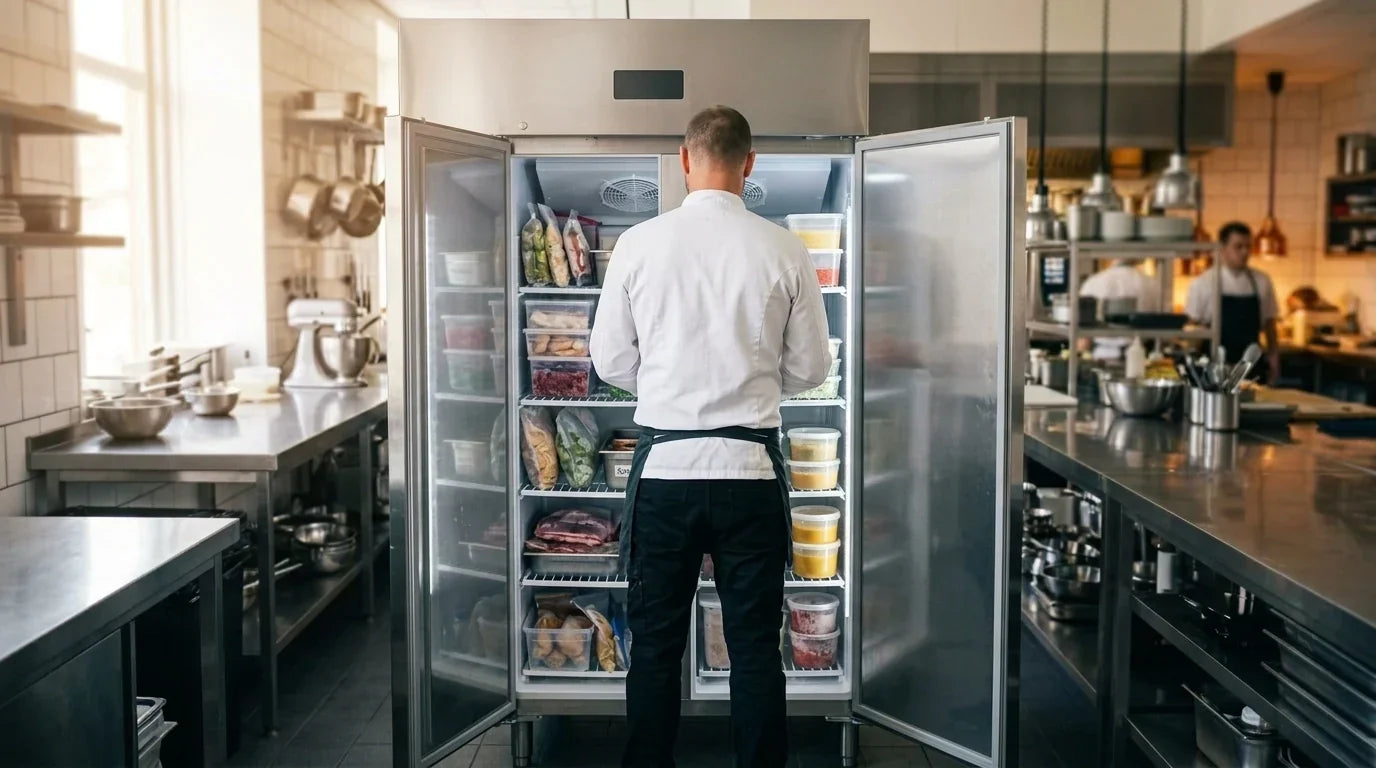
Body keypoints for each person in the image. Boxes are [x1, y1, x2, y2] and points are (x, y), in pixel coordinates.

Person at [590, 105, 831, 768]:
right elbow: (812, 369)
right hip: (748, 476)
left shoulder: (640, 244)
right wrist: (752, 374)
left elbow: (610, 361)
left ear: (684, 159)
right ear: (750, 164)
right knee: (756, 649)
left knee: (656, 647)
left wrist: (668, 382)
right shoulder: (784, 247)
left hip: (666, 476)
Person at [1185, 221, 1281, 382]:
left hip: (1251, 369)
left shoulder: (1262, 281)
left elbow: (1270, 324)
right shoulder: (1204, 282)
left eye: (1247, 247)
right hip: (1214, 370)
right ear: (1222, 249)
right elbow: (1194, 328)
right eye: (1238, 246)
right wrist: (1191, 365)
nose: (1244, 252)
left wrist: (1274, 357)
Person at [1078, 260, 1160, 360]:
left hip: (1101, 355)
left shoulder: (1093, 282)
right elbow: (1162, 324)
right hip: (1140, 356)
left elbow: (1083, 336)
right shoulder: (1151, 283)